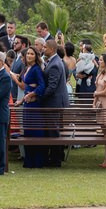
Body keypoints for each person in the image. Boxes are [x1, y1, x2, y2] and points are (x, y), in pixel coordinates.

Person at [38, 36, 71, 167]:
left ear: (51, 49)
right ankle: (52, 157)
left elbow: (52, 87)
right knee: (51, 130)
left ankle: (56, 159)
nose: (43, 49)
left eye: (45, 47)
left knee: (54, 130)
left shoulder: (55, 65)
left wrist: (39, 96)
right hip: (53, 102)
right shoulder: (53, 61)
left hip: (54, 102)